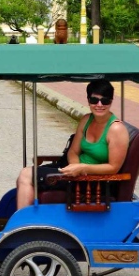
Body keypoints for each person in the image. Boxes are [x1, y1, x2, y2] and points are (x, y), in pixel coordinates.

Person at [15, 79, 130, 209]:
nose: (99, 105)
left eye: (105, 101)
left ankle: (23, 226)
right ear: (88, 100)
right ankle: (27, 220)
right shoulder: (86, 120)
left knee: (26, 175)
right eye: (94, 100)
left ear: (111, 101)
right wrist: (75, 167)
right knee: (25, 175)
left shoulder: (116, 129)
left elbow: (113, 167)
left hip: (93, 181)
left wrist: (83, 168)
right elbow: (73, 151)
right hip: (74, 174)